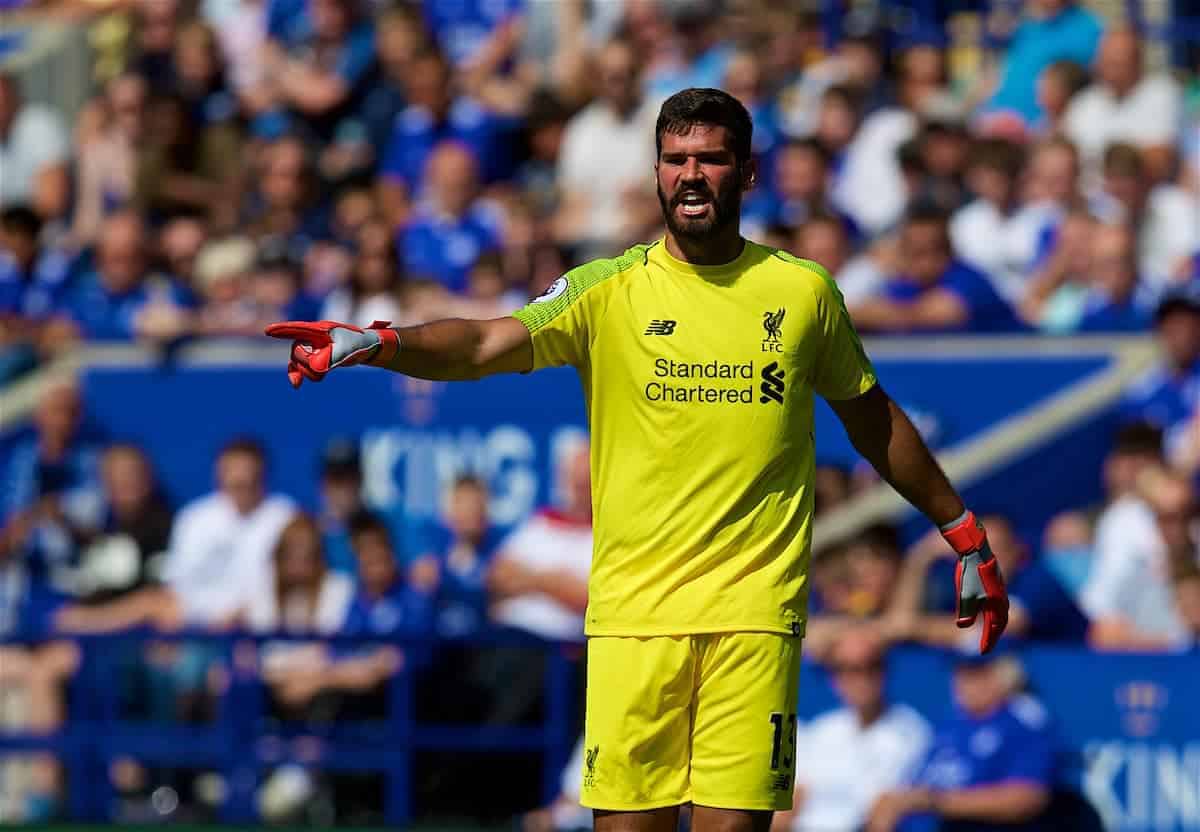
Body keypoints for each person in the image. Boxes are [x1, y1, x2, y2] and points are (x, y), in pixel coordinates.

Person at [265, 88, 1009, 831]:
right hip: (631, 622)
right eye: (676, 158)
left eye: (711, 159)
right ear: (655, 172)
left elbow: (872, 418)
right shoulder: (607, 290)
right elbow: (484, 343)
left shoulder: (804, 292)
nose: (691, 174)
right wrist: (380, 342)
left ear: (746, 174)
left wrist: (963, 531)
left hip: (753, 618)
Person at [866, 651, 1056, 832]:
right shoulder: (949, 726)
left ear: (1006, 675)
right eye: (959, 671)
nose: (962, 682)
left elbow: (1027, 797)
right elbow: (911, 788)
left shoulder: (1023, 723)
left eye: (975, 672)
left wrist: (938, 802)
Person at [772, 628, 931, 832]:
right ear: (834, 678)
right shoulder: (822, 730)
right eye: (848, 668)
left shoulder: (910, 732)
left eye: (870, 666)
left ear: (884, 671)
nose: (861, 678)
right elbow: (792, 804)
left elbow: (883, 815)